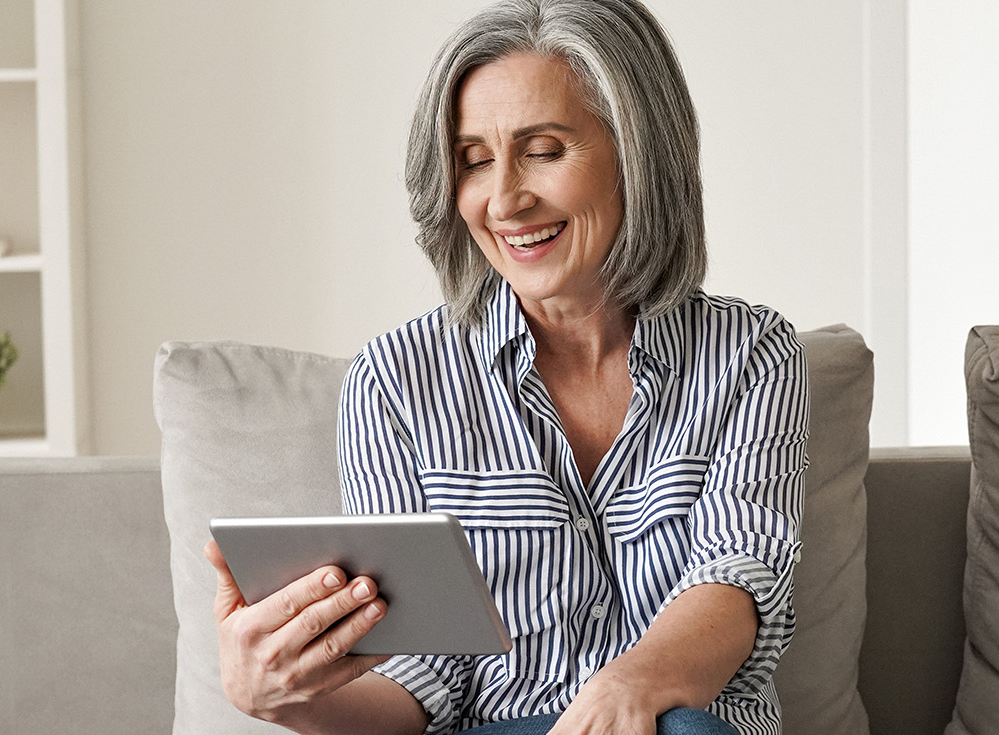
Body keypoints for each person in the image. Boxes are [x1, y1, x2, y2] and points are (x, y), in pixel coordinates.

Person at [203, 1, 809, 734]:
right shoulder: (397, 382)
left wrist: (627, 688)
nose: (504, 200)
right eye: (474, 161)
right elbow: (419, 678)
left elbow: (737, 579)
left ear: (639, 152)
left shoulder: (752, 354)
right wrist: (287, 697)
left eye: (545, 150)